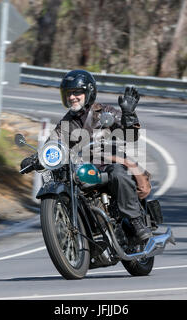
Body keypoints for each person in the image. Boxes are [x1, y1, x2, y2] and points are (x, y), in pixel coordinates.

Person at [20, 70, 152, 242]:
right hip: (82, 170)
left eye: (77, 92)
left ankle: (135, 221)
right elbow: (53, 144)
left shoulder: (105, 112)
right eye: (69, 93)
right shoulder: (66, 123)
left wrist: (128, 115)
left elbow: (131, 136)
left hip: (107, 164)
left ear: (88, 92)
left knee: (118, 173)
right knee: (67, 185)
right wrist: (37, 158)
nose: (72, 97)